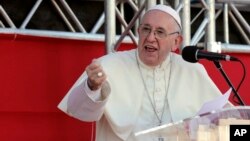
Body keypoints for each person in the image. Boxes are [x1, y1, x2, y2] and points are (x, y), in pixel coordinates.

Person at [58, 4, 227, 141]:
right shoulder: (109, 65)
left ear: (176, 41)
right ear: (138, 32)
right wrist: (91, 87)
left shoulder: (192, 70)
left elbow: (226, 119)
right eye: (146, 29)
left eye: (159, 32)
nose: (150, 37)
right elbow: (78, 110)